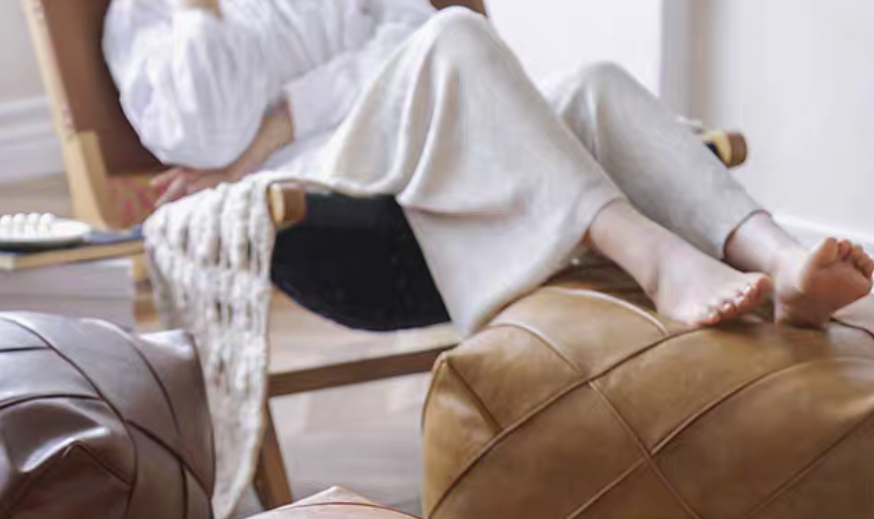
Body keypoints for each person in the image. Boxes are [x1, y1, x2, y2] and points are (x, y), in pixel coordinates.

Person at [104, 0, 873, 331]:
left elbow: (410, 34)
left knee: (592, 85)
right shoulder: (144, 16)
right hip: (335, 218)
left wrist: (278, 119)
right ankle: (655, 256)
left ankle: (782, 262)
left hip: (446, 172)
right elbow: (204, 133)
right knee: (455, 42)